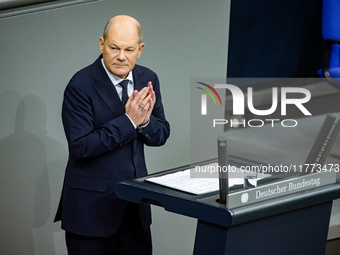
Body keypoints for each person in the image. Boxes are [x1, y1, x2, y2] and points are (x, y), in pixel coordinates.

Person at [54, 15, 170, 255]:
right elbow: (81, 146)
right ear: (101, 44)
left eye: (129, 49)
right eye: (114, 47)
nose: (121, 56)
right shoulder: (80, 85)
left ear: (140, 50)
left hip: (134, 209)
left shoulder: (148, 79)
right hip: (91, 213)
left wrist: (145, 121)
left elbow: (161, 134)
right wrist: (129, 121)